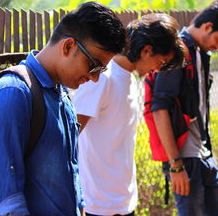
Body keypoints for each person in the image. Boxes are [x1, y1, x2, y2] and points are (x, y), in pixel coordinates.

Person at [0, 2, 127, 216]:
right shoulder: (13, 92)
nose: (95, 78)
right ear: (68, 46)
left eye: (102, 70)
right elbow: (7, 198)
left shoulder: (61, 94)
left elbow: (71, 175)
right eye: (94, 66)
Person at [72, 13, 184, 216]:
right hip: (97, 204)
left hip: (123, 201)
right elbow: (69, 136)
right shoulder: (102, 78)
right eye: (160, 62)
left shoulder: (130, 79)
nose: (157, 71)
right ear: (146, 50)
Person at [150, 0, 218, 216]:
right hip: (185, 159)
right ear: (207, 27)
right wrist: (175, 165)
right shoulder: (177, 52)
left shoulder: (201, 53)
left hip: (203, 154)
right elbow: (160, 109)